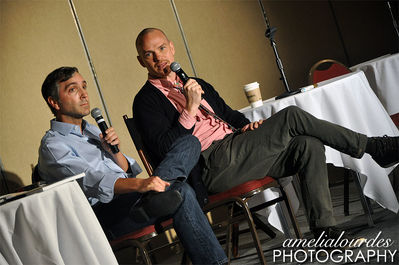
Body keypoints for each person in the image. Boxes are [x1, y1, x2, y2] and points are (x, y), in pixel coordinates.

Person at [132, 27, 399, 239]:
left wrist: (247, 126)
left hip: (237, 149)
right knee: (292, 116)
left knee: (306, 145)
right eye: (149, 54)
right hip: (209, 165)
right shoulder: (146, 101)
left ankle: (325, 232)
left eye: (162, 48)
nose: (159, 58)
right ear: (141, 61)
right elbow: (165, 150)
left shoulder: (195, 83)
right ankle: (375, 148)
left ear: (173, 47)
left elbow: (231, 116)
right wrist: (189, 110)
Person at [38, 66, 227, 265]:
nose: (84, 94)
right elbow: (91, 181)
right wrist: (141, 185)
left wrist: (115, 152)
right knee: (180, 192)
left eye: (84, 86)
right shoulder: (53, 146)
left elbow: (127, 171)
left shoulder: (92, 130)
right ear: (54, 102)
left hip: (134, 199)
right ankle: (156, 199)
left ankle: (154, 198)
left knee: (190, 143)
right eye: (73, 89)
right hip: (105, 214)